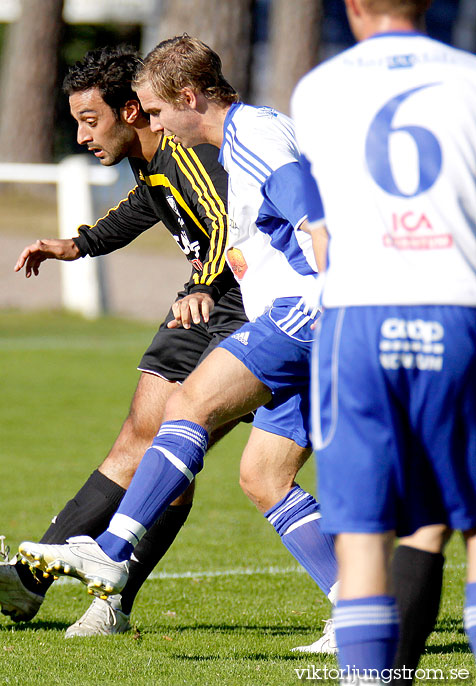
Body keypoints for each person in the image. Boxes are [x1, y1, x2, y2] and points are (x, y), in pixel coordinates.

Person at [17, 35, 339, 653]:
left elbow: (308, 216)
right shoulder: (237, 143)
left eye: (158, 112)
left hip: (309, 315)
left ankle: (111, 553)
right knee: (263, 476)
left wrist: (338, 295)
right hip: (302, 316)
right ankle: (358, 603)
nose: (153, 126)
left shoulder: (254, 138)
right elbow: (263, 233)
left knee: (187, 407)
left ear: (188, 98)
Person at [0, 45, 251, 638]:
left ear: (132, 110)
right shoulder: (151, 160)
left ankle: (100, 598)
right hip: (200, 307)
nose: (83, 135)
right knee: (141, 441)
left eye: (90, 120)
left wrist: (203, 285)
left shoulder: (191, 154)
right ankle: (35, 581)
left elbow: (228, 225)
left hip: (242, 312)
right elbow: (145, 205)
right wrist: (76, 244)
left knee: (178, 458)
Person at [290, 0, 476, 683]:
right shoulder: (469, 77)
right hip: (461, 309)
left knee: (365, 528)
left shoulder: (317, 89)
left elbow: (323, 221)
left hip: (357, 323)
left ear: (353, 7)